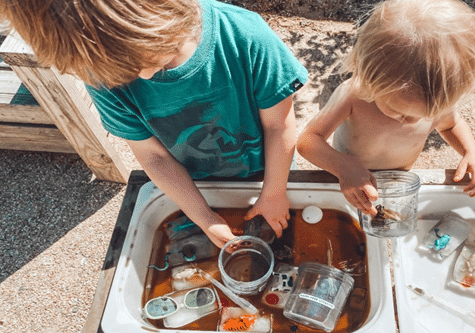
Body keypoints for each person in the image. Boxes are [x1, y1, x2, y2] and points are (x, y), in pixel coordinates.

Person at [1, 0, 308, 248]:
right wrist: (203, 216)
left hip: (266, 169)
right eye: (127, 74)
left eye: (155, 61)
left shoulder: (245, 35)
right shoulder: (101, 74)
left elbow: (279, 127)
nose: (145, 77)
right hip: (191, 182)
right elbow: (154, 156)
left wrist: (273, 193)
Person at [297, 0, 475, 217]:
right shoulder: (353, 95)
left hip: (396, 178)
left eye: (425, 116)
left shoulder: (435, 100)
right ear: (371, 80)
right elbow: (308, 141)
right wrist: (343, 167)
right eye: (398, 111)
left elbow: (451, 125)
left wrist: (471, 152)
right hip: (344, 174)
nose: (410, 121)